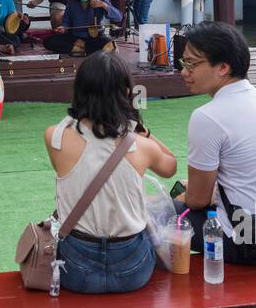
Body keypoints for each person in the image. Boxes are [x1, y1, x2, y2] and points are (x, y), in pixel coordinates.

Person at [43, 50, 177, 294]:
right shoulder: (141, 145)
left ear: (79, 89)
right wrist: (141, 128)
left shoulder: (55, 137)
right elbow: (171, 166)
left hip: (75, 267)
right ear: (126, 92)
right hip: (132, 269)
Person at [171, 22, 256, 256]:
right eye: (184, 63)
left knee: (163, 213)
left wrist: (187, 195)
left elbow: (198, 201)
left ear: (222, 67)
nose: (184, 72)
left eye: (191, 63)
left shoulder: (207, 116)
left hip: (244, 243)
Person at [45, 0, 122, 56]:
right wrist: (63, 28)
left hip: (95, 37)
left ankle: (79, 50)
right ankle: (89, 50)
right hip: (75, 37)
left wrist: (104, 6)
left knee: (112, 47)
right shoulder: (72, 2)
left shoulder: (99, 0)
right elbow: (66, 22)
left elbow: (118, 17)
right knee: (49, 41)